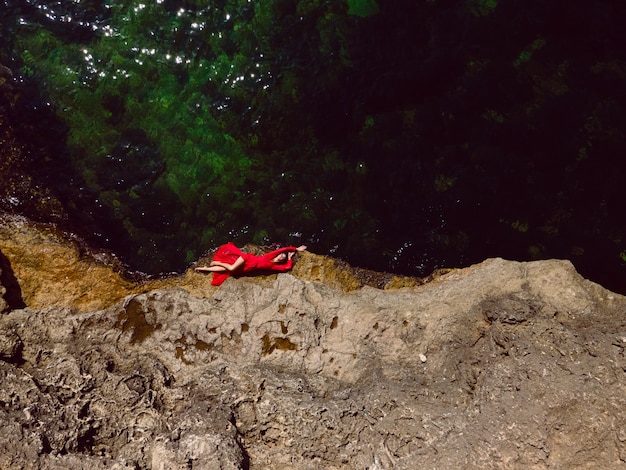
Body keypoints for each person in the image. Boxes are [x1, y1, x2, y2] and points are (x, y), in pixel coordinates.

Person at [194, 242, 307, 286]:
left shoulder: (273, 266)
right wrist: (296, 248)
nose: (280, 257)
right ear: (278, 255)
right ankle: (218, 262)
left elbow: (287, 267)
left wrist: (290, 258)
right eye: (281, 255)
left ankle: (207, 269)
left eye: (282, 258)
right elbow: (285, 248)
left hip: (247, 268)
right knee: (232, 268)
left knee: (228, 271)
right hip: (246, 259)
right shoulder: (271, 255)